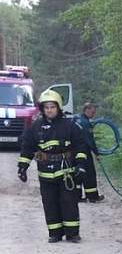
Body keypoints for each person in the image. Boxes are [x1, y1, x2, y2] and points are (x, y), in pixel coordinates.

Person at [17, 89, 90, 243]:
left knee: (68, 202)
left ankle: (72, 233)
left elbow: (80, 147)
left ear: (58, 107)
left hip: (67, 172)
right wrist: (22, 167)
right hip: (45, 174)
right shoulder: (36, 127)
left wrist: (81, 165)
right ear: (42, 109)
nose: (49, 110)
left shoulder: (70, 125)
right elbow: (27, 147)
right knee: (49, 203)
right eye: (46, 107)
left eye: (52, 107)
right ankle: (55, 233)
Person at [74, 101, 104, 202]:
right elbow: (90, 141)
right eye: (92, 112)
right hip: (84, 152)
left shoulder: (75, 119)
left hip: (73, 151)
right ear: (86, 110)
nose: (93, 115)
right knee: (89, 174)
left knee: (77, 173)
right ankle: (92, 196)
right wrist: (97, 154)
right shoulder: (86, 123)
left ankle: (76, 196)